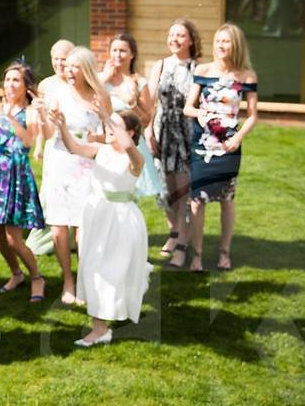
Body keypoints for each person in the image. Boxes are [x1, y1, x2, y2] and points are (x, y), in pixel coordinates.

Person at [50, 107, 152, 347]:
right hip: (96, 216)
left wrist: (111, 118)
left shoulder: (135, 159)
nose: (107, 129)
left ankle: (99, 329)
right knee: (93, 268)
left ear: (130, 132)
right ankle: (101, 326)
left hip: (121, 220)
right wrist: (62, 125)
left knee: (111, 271)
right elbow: (74, 148)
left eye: (115, 126)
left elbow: (130, 150)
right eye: (108, 125)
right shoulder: (101, 150)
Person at [169, 23, 258, 272]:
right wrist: (200, 113)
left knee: (227, 200)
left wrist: (238, 138)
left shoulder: (247, 76)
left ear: (236, 45)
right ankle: (196, 256)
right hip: (203, 145)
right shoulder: (203, 70)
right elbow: (188, 107)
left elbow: (252, 115)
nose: (221, 46)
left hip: (229, 146)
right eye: (218, 41)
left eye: (226, 41)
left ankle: (224, 253)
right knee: (197, 201)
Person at [34, 46, 112, 304]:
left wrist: (97, 137)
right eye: (67, 67)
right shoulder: (57, 95)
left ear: (86, 69)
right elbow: (46, 134)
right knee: (58, 231)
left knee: (83, 231)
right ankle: (68, 280)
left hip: (86, 165)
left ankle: (86, 279)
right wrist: (43, 115)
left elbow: (111, 134)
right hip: (60, 163)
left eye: (74, 67)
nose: (68, 71)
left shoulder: (100, 96)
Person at [0, 62, 46, 302]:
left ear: (26, 86)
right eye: (7, 80)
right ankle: (16, 273)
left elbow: (27, 141)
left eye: (16, 80)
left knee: (12, 237)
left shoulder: (30, 112)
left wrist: (11, 119)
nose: (10, 85)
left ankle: (37, 276)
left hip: (15, 174)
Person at [147, 19, 201, 259]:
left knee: (183, 187)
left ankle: (180, 238)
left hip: (186, 132)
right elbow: (149, 102)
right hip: (162, 130)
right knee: (165, 188)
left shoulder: (198, 68)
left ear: (191, 40)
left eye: (180, 35)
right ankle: (175, 230)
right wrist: (148, 130)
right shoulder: (159, 65)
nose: (175, 40)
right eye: (172, 35)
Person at [99, 33, 163, 198]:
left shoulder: (139, 82)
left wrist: (132, 103)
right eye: (114, 50)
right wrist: (103, 79)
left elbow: (147, 119)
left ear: (132, 54)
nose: (117, 55)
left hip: (132, 145)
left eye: (122, 50)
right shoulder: (101, 80)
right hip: (106, 144)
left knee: (128, 196)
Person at [26, 38, 74, 256]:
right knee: (50, 193)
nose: (59, 63)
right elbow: (41, 118)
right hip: (52, 144)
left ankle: (72, 237)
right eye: (55, 59)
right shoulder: (46, 84)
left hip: (74, 144)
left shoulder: (78, 82)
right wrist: (39, 145)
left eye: (63, 59)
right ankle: (47, 237)